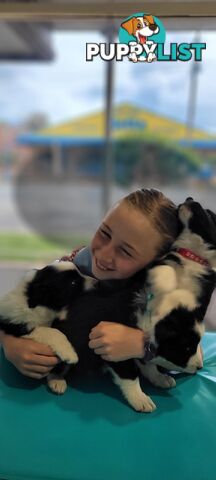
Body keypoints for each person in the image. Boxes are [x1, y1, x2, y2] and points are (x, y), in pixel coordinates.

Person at [0, 188, 179, 378]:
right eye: (105, 233)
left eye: (126, 252)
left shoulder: (163, 290)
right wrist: (9, 343)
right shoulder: (74, 266)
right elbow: (12, 308)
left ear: (154, 264)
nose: (104, 254)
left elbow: (193, 354)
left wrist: (140, 344)